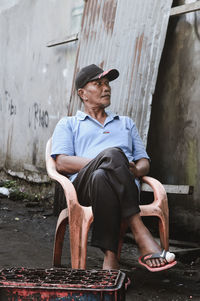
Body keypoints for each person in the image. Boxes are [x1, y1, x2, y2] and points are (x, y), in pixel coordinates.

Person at [51, 64, 176, 272]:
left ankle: (110, 259)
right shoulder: (69, 124)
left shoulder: (126, 123)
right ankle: (140, 233)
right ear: (82, 94)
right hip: (84, 189)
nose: (106, 88)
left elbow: (143, 161)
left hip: (121, 186)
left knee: (103, 176)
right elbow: (62, 163)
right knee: (112, 155)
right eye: (98, 84)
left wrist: (133, 170)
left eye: (107, 83)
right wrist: (108, 159)